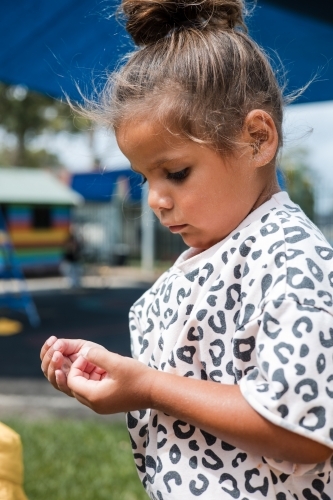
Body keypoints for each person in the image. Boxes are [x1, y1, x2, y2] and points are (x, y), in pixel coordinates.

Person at [41, 0, 333, 498]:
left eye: (175, 172)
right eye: (144, 177)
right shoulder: (209, 256)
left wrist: (149, 388)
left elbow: (304, 431)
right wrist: (120, 373)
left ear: (257, 139)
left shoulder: (291, 259)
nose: (155, 199)